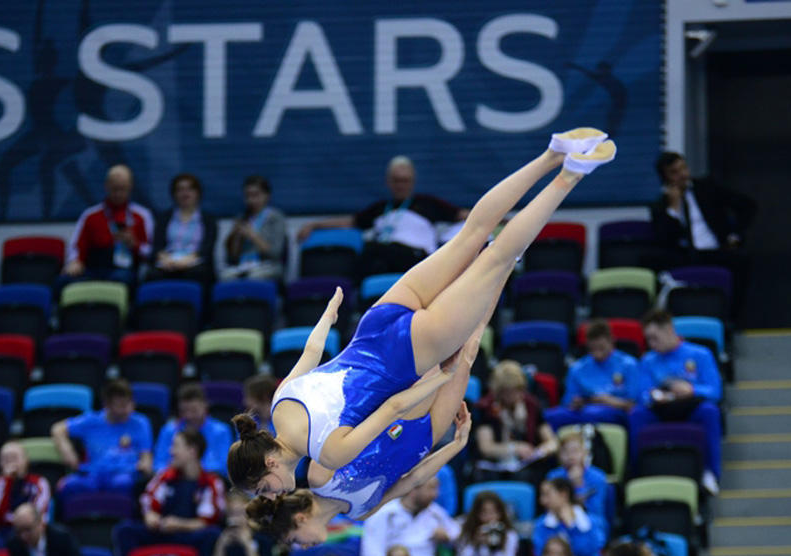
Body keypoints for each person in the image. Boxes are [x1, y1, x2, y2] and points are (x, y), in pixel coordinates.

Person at [231, 131, 617, 495]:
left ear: (269, 463)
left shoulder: (328, 454)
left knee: (497, 259)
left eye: (264, 488)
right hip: (374, 324)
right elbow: (312, 352)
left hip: (409, 354)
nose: (273, 494)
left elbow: (395, 406)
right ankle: (553, 153)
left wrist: (442, 376)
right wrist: (330, 314)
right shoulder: (281, 404)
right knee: (472, 232)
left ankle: (569, 175)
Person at [246, 399, 472, 549]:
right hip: (424, 435)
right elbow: (414, 479)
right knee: (468, 347)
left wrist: (399, 400)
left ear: (300, 519)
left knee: (458, 345)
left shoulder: (319, 477)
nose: (303, 547)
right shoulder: (361, 513)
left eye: (295, 540)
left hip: (402, 408)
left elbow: (349, 415)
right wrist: (456, 445)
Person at [298, 156, 467, 279]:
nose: (401, 185)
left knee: (376, 250)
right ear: (388, 182)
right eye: (396, 181)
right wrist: (314, 224)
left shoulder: (428, 203)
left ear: (412, 182)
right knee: (367, 255)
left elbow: (463, 215)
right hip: (383, 256)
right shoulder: (379, 209)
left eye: (405, 181)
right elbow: (350, 222)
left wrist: (493, 216)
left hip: (417, 258)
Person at [649, 151, 756, 315]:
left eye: (683, 168)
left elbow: (747, 205)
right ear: (665, 177)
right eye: (674, 172)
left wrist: (735, 234)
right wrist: (674, 209)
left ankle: (732, 318)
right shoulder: (660, 206)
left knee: (741, 261)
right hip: (685, 255)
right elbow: (664, 240)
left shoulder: (707, 188)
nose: (682, 175)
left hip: (715, 249)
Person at [631, 309, 723, 495]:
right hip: (662, 407)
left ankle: (710, 473)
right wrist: (655, 395)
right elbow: (641, 394)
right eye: (648, 339)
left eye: (655, 338)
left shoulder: (700, 354)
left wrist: (692, 390)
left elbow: (715, 391)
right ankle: (637, 472)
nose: (651, 344)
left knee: (710, 411)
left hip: (691, 406)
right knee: (636, 414)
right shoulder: (648, 360)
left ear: (669, 330)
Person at [116, 430, 227, 556]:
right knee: (125, 530)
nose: (171, 451)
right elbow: (148, 502)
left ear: (192, 451)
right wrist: (150, 516)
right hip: (162, 531)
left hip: (189, 535)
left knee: (212, 535)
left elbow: (207, 521)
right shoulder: (165, 476)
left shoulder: (211, 482)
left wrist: (179, 524)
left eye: (175, 446)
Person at [52, 378, 153, 497]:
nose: (127, 410)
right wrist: (67, 451)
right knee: (67, 485)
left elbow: (146, 456)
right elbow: (58, 429)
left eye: (129, 403)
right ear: (107, 405)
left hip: (125, 474)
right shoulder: (91, 421)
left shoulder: (141, 423)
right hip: (93, 474)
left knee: (122, 484)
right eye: (120, 405)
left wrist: (145, 465)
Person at [64, 164, 154, 285]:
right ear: (106, 186)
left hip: (126, 268)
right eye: (114, 189)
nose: (118, 193)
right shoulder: (90, 215)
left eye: (122, 189)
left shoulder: (142, 215)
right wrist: (75, 262)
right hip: (94, 266)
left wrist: (134, 244)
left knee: (121, 279)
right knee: (64, 281)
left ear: (130, 187)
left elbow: (151, 252)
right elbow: (76, 246)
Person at [473, 360, 559, 485]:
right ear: (499, 392)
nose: (515, 396)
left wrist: (540, 451)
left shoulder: (531, 405)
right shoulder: (485, 407)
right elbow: (486, 447)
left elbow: (552, 441)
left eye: (519, 390)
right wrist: (514, 448)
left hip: (526, 465)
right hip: (495, 466)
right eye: (509, 392)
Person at [362, 476, 461, 556]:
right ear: (413, 489)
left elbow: (458, 533)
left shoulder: (435, 512)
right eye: (431, 488)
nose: (435, 495)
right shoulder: (385, 513)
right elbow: (372, 554)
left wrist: (447, 536)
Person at [550, 319, 639, 429]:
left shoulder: (629, 365)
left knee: (595, 414)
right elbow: (568, 402)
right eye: (592, 349)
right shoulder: (577, 368)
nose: (597, 353)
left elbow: (634, 404)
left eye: (601, 348)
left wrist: (608, 401)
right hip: (582, 412)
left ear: (611, 341)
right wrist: (576, 402)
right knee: (550, 416)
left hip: (614, 412)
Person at [147, 172, 216, 285]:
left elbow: (207, 250)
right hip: (168, 262)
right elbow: (157, 247)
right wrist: (166, 259)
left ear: (198, 193)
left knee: (198, 274)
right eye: (180, 189)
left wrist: (185, 262)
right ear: (173, 194)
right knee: (152, 275)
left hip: (195, 263)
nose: (185, 193)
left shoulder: (208, 220)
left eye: (189, 189)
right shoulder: (164, 218)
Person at [154, 382, 234, 476]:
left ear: (205, 406)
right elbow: (158, 464)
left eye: (194, 410)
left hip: (209, 480)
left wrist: (190, 468)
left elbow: (223, 466)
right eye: (184, 411)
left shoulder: (221, 431)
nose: (189, 416)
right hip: (173, 480)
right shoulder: (168, 430)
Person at [546, 430, 615, 530]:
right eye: (565, 451)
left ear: (585, 453)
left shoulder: (598, 477)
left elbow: (596, 511)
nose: (570, 456)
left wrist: (578, 486)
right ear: (559, 455)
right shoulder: (553, 477)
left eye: (575, 451)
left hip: (591, 520)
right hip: (560, 519)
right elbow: (551, 508)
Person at [0, 441, 51, 538]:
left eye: (14, 458)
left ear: (26, 460)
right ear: (0, 463)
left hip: (30, 529)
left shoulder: (39, 483)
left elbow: (37, 515)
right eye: (6, 459)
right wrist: (7, 481)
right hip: (2, 531)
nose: (11, 462)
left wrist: (13, 520)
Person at [224, 175, 287, 281]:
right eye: (247, 196)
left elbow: (276, 253)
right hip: (243, 265)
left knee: (253, 277)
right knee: (225, 277)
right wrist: (236, 237)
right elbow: (233, 257)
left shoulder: (275, 217)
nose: (251, 200)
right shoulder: (241, 217)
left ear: (267, 195)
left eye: (256, 195)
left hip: (267, 265)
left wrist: (253, 236)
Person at [533, 477, 606, 556]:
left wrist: (572, 527)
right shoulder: (541, 524)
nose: (542, 501)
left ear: (564, 494)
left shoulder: (592, 522)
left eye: (547, 495)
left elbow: (590, 553)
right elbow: (540, 554)